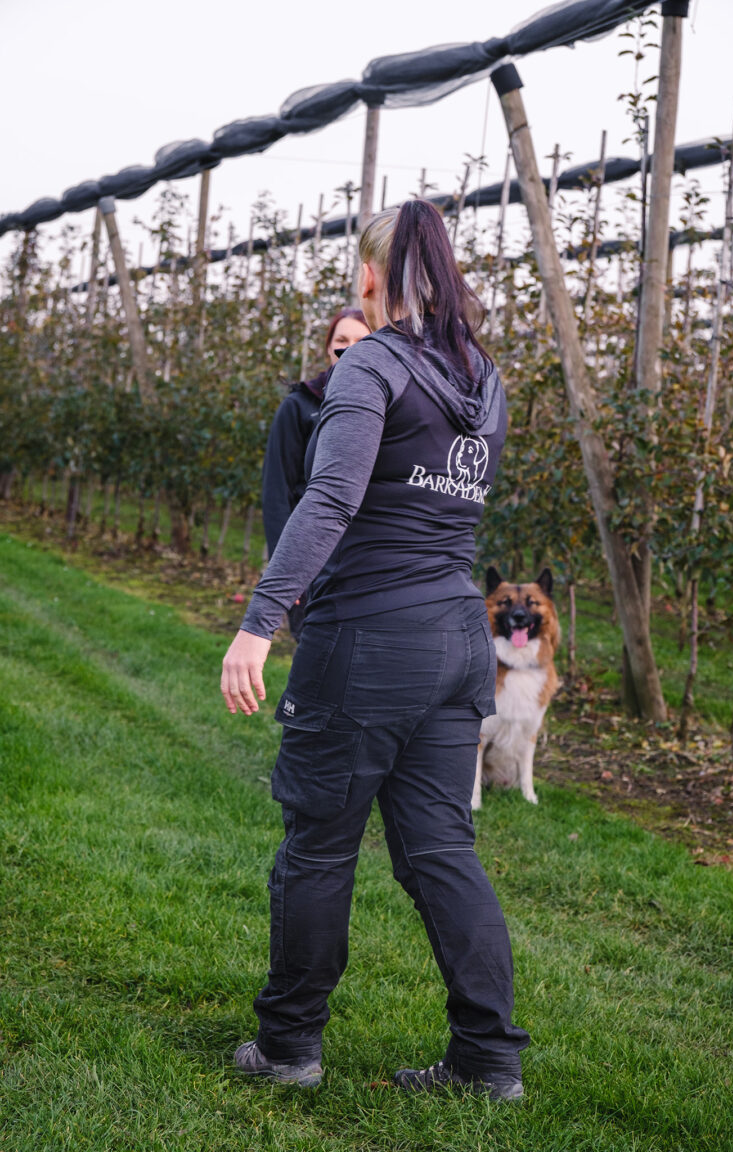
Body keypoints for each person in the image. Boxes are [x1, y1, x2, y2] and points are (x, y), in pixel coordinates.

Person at [221, 200, 530, 1100]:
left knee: (318, 848)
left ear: (375, 275)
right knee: (443, 852)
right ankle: (488, 1061)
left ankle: (289, 1048)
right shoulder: (484, 378)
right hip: (454, 640)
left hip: (366, 642)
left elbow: (329, 501)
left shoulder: (375, 367)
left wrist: (259, 620)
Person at [261, 307, 369, 639]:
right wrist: (288, 574)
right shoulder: (300, 406)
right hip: (310, 556)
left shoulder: (385, 407)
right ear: (328, 347)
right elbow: (277, 493)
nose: (349, 349)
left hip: (365, 561)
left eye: (360, 341)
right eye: (341, 340)